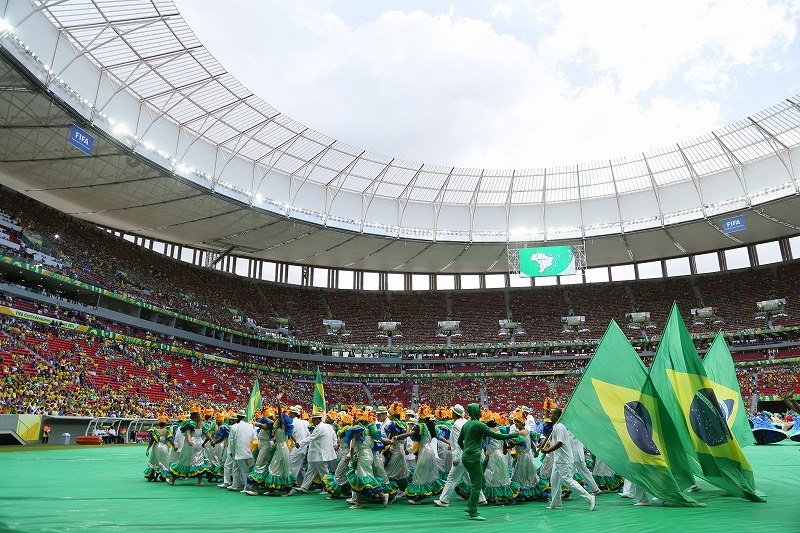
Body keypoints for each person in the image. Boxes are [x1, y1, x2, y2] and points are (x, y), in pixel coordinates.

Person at [458, 403, 528, 521]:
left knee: (482, 480)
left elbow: (460, 441)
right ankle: (473, 512)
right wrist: (517, 433)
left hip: (467, 456)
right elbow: (497, 436)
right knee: (477, 484)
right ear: (475, 411)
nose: (481, 411)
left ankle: (470, 505)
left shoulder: (466, 424)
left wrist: (466, 450)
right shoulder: (479, 425)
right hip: (473, 457)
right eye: (479, 409)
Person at [539, 408, 595, 512]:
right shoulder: (555, 426)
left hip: (564, 460)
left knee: (568, 481)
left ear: (556, 415)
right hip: (558, 459)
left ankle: (589, 497)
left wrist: (547, 451)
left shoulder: (560, 427)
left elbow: (560, 443)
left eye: (551, 413)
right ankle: (555, 503)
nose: (549, 415)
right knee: (554, 481)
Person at [435, 404, 488, 508]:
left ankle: (444, 500)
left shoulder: (456, 425)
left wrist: (456, 458)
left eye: (452, 412)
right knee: (470, 478)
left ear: (455, 413)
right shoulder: (466, 422)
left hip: (462, 456)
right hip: (469, 455)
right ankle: (481, 499)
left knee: (451, 478)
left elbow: (460, 443)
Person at [394, 405, 445, 504]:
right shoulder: (431, 427)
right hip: (429, 451)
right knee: (426, 473)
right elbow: (439, 438)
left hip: (424, 452)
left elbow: (410, 434)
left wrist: (397, 437)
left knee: (420, 475)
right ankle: (423, 494)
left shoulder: (421, 426)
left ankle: (418, 497)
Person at [290, 408, 337, 495]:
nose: (312, 421)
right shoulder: (328, 426)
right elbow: (334, 436)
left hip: (320, 454)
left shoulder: (319, 428)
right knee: (310, 471)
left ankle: (329, 489)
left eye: (313, 419)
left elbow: (310, 438)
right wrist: (335, 444)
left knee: (324, 472)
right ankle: (304, 487)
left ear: (317, 419)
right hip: (318, 454)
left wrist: (299, 443)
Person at [168, 405, 210, 485]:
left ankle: (172, 480)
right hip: (199, 443)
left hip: (190, 443)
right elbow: (207, 434)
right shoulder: (202, 423)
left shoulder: (189, 423)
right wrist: (210, 440)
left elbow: (188, 433)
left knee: (183, 461)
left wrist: (189, 441)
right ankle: (200, 481)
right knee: (198, 462)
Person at [227, 410, 256, 492]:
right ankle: (234, 485)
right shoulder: (250, 426)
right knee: (235, 468)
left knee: (244, 470)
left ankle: (247, 487)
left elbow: (232, 441)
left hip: (238, 452)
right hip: (248, 450)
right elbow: (254, 438)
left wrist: (232, 452)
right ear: (244, 417)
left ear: (237, 417)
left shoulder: (234, 427)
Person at [144, 415, 175, 482]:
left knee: (155, 461)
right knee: (164, 461)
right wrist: (174, 446)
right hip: (164, 447)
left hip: (156, 447)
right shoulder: (168, 430)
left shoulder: (155, 431)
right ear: (166, 423)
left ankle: (154, 476)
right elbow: (171, 440)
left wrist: (148, 449)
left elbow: (151, 441)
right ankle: (163, 475)